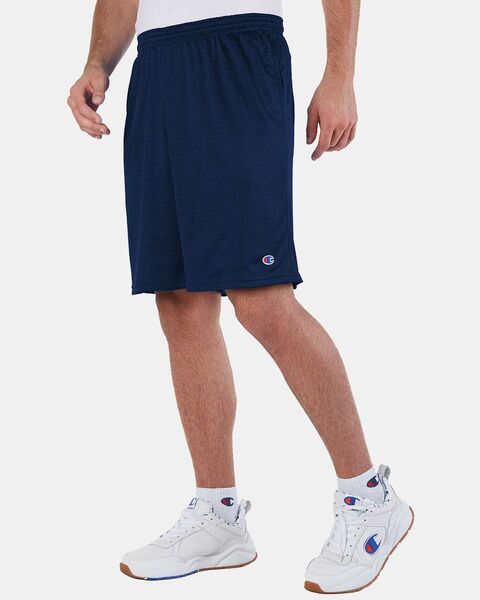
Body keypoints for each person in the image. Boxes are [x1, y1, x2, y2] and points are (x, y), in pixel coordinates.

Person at [68, 1, 413, 593]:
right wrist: (97, 62)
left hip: (237, 54)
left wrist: (340, 73)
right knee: (179, 301)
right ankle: (218, 514)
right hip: (157, 70)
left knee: (262, 299)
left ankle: (369, 496)